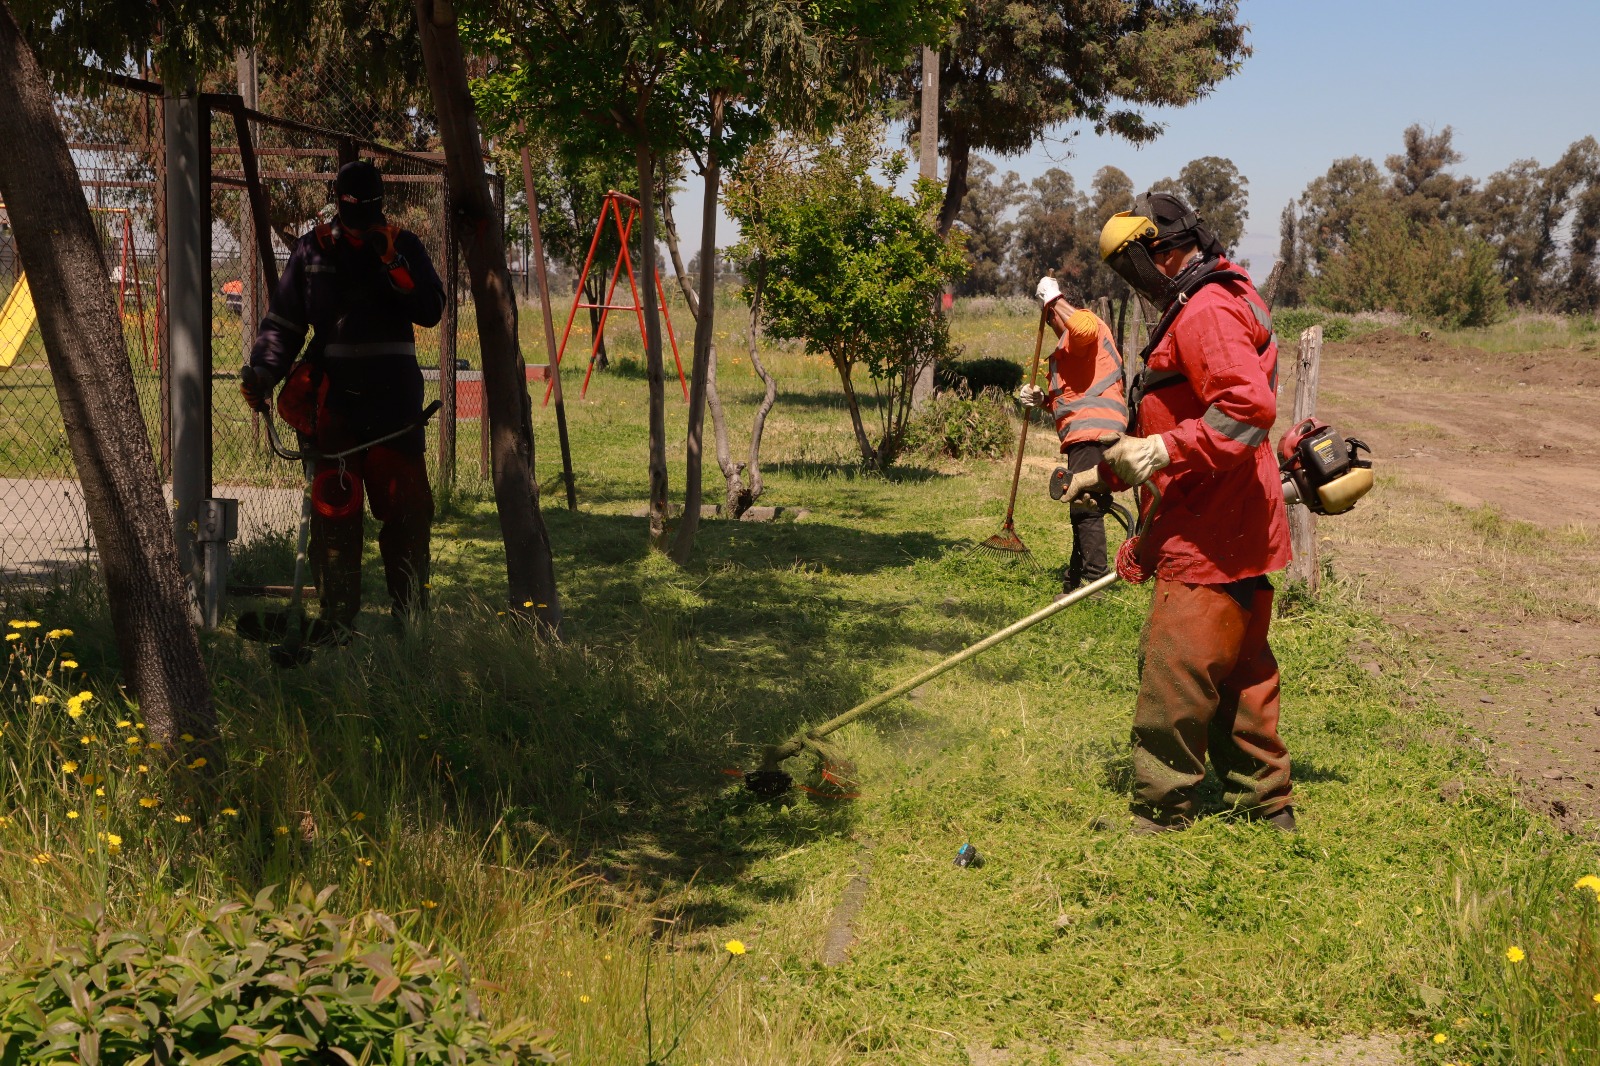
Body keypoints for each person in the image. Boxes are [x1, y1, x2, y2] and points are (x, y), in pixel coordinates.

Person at [1068, 191, 1294, 835]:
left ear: (1160, 252)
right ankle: (1265, 801)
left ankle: (1165, 809)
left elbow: (1246, 410)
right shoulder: (1224, 296)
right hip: (1235, 522)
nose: (1134, 279)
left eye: (1131, 264)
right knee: (1241, 672)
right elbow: (1179, 419)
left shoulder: (1206, 311)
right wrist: (1105, 472)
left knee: (1178, 672)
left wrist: (1165, 448)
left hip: (1211, 531)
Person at [241, 160, 446, 639]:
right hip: (333, 413)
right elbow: (284, 326)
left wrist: (393, 261)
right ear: (338, 201)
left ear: (380, 206)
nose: (360, 225)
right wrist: (263, 374)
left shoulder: (405, 246)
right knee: (335, 517)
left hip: (395, 410)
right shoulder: (313, 250)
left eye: (367, 213)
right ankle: (336, 625)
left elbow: (431, 309)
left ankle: (411, 622)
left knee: (409, 515)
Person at [1013, 281, 1127, 594]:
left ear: (1061, 311)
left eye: (1049, 318)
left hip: (1094, 432)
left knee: (1085, 504)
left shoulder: (1086, 323)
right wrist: (1042, 401)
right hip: (1087, 432)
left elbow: (1083, 329)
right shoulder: (1071, 347)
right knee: (1081, 503)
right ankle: (1076, 579)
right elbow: (1073, 398)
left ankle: (1095, 582)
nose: (1049, 325)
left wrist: (1054, 299)